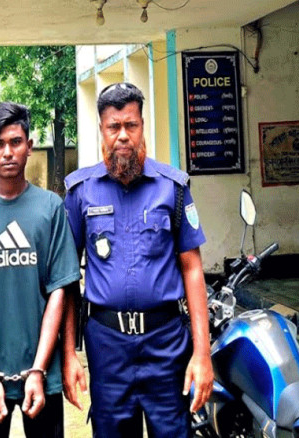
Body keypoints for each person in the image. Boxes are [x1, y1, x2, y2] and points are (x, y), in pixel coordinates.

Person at [61, 82, 214, 437]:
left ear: (142, 126)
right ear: (101, 129)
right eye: (113, 127)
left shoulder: (172, 188)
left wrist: (202, 354)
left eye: (131, 125)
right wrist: (69, 354)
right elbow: (67, 280)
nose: (123, 136)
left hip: (167, 342)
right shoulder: (80, 192)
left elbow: (192, 269)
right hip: (107, 346)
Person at [0, 102, 81, 438]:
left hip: (42, 375)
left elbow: (59, 292)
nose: (8, 152)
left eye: (15, 142)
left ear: (29, 146)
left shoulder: (51, 207)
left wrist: (38, 369)